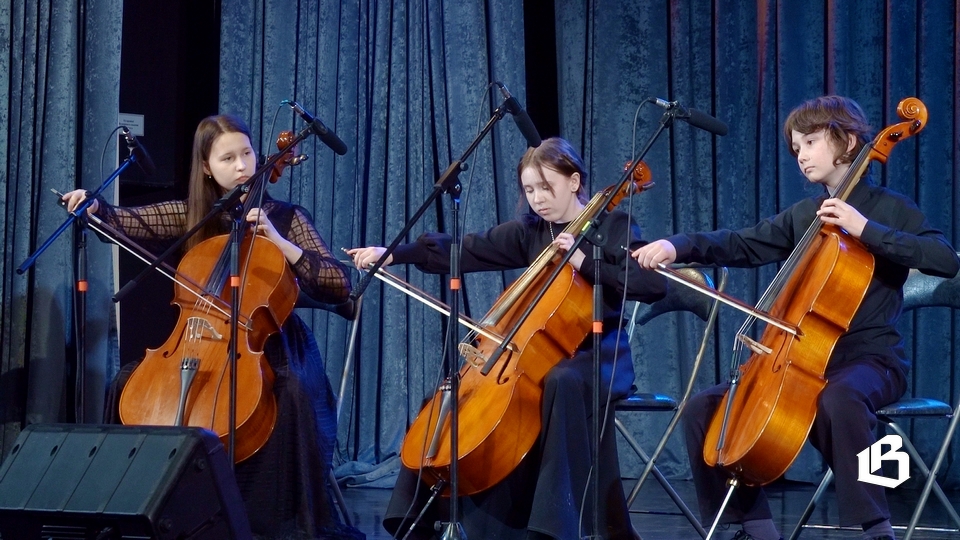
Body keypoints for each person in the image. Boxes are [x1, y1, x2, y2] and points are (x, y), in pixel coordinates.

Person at [631, 95, 960, 540]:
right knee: (704, 410)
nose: (801, 154)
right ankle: (753, 528)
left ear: (846, 140)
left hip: (870, 359)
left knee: (840, 401)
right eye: (795, 146)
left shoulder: (889, 208)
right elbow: (742, 244)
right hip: (798, 361)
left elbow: (944, 259)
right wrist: (679, 244)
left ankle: (877, 527)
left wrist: (867, 230)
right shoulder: (807, 216)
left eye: (809, 141)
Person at [63, 114, 365, 540]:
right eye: (228, 158)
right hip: (196, 343)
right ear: (206, 167)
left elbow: (339, 285)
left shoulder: (286, 216)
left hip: (271, 344)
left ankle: (270, 524)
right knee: (127, 382)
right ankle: (141, 508)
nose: (242, 165)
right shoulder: (195, 215)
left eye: (247, 153)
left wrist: (281, 244)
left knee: (290, 394)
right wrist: (94, 207)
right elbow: (126, 221)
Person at [348, 137, 667, 540]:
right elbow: (468, 250)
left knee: (561, 381)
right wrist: (394, 254)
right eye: (530, 190)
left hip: (599, 353)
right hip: (538, 352)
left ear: (574, 181)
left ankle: (554, 525)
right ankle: (418, 515)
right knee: (454, 389)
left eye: (546, 188)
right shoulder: (534, 230)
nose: (537, 199)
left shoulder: (615, 225)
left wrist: (585, 261)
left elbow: (650, 284)